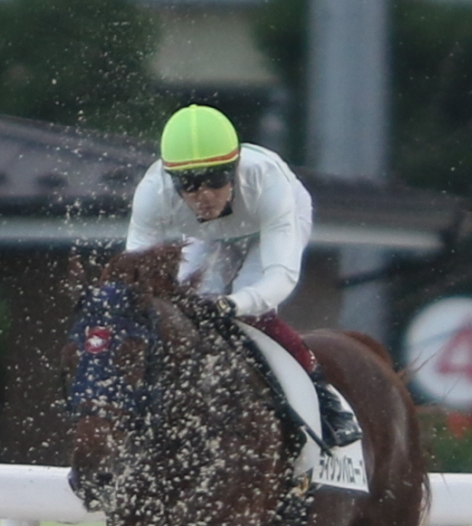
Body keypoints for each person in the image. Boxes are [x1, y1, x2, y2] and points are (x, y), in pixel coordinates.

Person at [125, 103, 361, 463]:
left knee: (252, 313)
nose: (203, 195)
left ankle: (322, 394)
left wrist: (235, 304)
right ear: (170, 180)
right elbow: (137, 276)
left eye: (215, 179)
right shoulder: (152, 193)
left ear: (234, 170)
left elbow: (279, 277)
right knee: (191, 308)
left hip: (268, 225)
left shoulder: (266, 181)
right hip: (206, 235)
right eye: (188, 184)